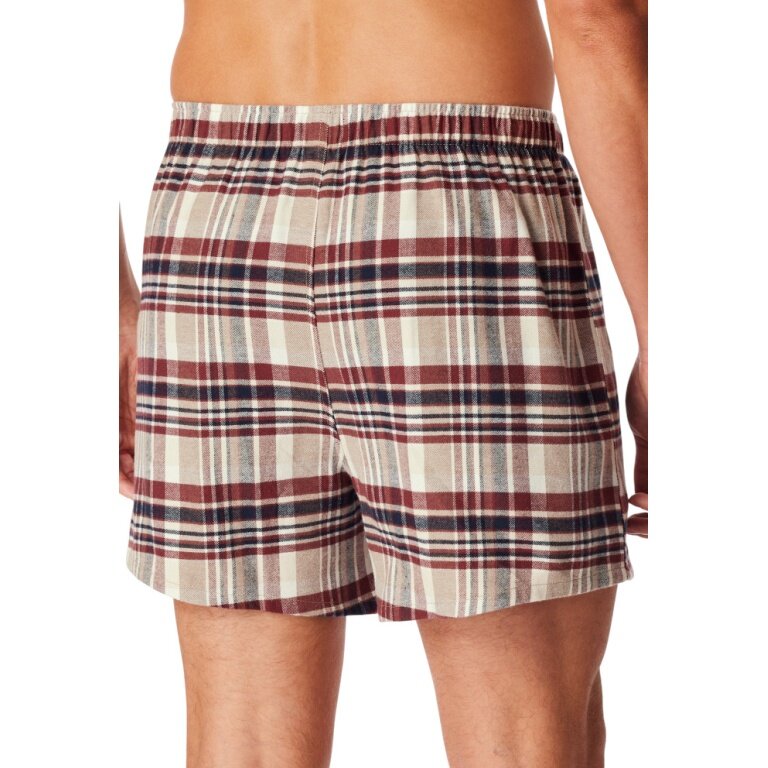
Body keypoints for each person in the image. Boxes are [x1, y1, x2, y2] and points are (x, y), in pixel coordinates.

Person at [119, 1, 648, 765]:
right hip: (453, 211)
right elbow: (594, 17)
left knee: (246, 738)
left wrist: (114, 308)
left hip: (215, 212)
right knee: (518, 732)